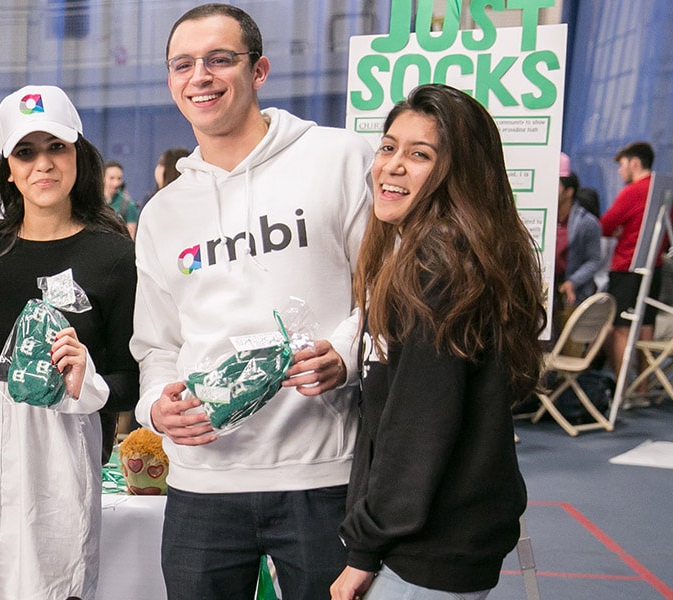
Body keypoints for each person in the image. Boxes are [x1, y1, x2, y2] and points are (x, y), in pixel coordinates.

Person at [132, 4, 373, 599]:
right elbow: (158, 344)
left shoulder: (340, 160)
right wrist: (154, 411)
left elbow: (388, 292)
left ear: (259, 69)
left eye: (220, 59)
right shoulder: (164, 212)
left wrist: (344, 354)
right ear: (170, 81)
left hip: (321, 473)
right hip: (201, 484)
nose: (201, 77)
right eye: (183, 64)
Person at [331, 83, 543, 600]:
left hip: (425, 548)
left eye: (419, 154)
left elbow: (418, 425)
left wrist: (363, 550)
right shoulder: (446, 254)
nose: (392, 166)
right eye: (388, 147)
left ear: (459, 173)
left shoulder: (437, 267)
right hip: (446, 536)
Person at [0, 85, 137, 599]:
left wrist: (86, 382)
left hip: (57, 462)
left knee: (49, 583)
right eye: (25, 152)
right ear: (7, 167)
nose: (41, 164)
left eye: (56, 147)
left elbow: (132, 380)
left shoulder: (111, 254)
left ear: (78, 155)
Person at [599, 141, 658, 375]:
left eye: (622, 165)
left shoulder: (633, 192)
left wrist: (618, 230)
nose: (619, 170)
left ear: (635, 163)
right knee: (646, 327)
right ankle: (641, 390)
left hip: (627, 267)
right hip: (654, 267)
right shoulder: (661, 190)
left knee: (620, 328)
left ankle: (621, 391)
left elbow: (604, 225)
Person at [557, 157, 603, 312]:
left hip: (572, 292)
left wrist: (573, 281)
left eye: (556, 186)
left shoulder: (587, 223)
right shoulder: (544, 219)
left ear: (569, 192)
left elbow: (594, 260)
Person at [104, 160, 139, 236]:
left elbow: (131, 237)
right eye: (111, 178)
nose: (116, 183)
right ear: (102, 178)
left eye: (119, 178)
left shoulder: (129, 205)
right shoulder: (94, 202)